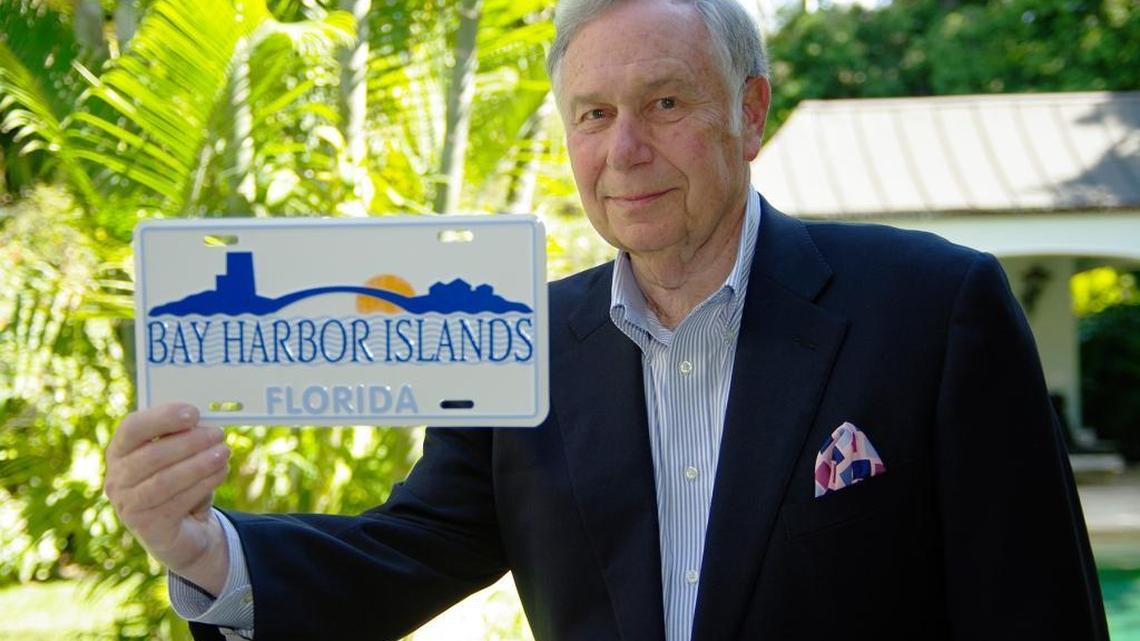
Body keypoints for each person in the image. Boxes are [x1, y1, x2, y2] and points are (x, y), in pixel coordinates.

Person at [103, 0, 1110, 639]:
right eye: (592, 114)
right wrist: (201, 550)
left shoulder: (936, 311)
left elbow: (1035, 611)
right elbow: (406, 552)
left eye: (665, 102)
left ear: (749, 112)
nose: (623, 149)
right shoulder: (523, 342)